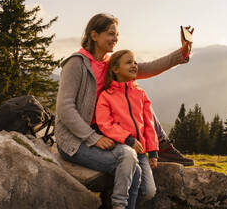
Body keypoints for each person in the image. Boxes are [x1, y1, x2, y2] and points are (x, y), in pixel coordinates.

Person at [55, 13, 194, 208]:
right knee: (130, 163)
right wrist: (92, 138)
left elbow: (149, 67)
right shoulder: (76, 64)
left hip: (104, 133)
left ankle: (160, 145)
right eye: (110, 34)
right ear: (94, 35)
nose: (115, 38)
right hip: (75, 140)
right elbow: (65, 108)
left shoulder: (110, 64)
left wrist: (183, 52)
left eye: (117, 34)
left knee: (137, 100)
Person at [96, 50, 159, 208]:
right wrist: (127, 139)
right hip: (122, 147)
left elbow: (149, 125)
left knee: (150, 191)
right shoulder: (107, 95)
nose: (134, 65)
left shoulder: (140, 94)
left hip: (141, 153)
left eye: (135, 62)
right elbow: (105, 124)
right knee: (131, 180)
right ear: (115, 69)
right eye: (129, 62)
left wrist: (153, 151)